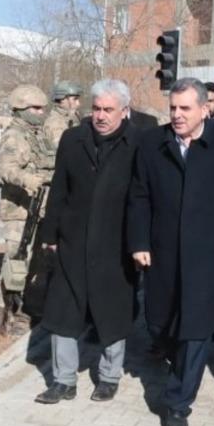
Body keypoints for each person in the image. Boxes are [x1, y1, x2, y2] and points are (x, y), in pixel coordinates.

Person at [129, 78, 214, 426]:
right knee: (159, 322)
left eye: (185, 108)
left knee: (196, 329)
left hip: (207, 253)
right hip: (161, 252)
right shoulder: (153, 143)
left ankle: (178, 404)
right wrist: (139, 241)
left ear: (204, 109)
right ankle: (174, 357)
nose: (177, 115)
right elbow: (139, 196)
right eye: (173, 108)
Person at [36, 79, 140, 403]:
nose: (101, 116)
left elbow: (144, 198)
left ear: (124, 111)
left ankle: (109, 377)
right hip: (73, 240)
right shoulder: (73, 139)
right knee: (63, 310)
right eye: (96, 108)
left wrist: (141, 242)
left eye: (108, 109)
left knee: (112, 312)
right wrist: (50, 234)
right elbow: (59, 189)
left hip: (116, 244)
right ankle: (63, 381)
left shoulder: (139, 143)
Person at [0, 84, 54, 335]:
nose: (41, 112)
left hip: (40, 208)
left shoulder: (39, 135)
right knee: (16, 262)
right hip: (19, 210)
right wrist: (27, 179)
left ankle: (24, 310)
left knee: (37, 263)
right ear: (21, 109)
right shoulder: (13, 136)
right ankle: (3, 313)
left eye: (42, 108)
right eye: (36, 108)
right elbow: (5, 170)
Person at [43, 80, 82, 149]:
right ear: (62, 100)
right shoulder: (55, 123)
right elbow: (65, 149)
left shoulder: (72, 117)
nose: (78, 103)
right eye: (75, 99)